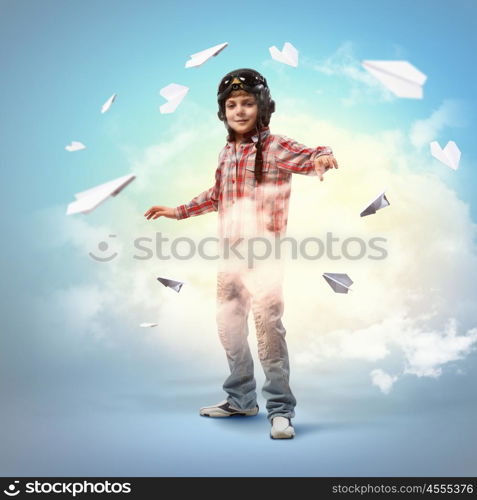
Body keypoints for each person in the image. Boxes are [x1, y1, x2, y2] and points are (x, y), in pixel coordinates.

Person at [144, 68, 338, 439]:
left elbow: (312, 153)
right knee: (229, 329)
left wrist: (323, 159)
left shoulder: (276, 146)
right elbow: (217, 197)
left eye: (248, 103)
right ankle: (240, 400)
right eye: (232, 104)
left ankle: (280, 411)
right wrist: (177, 210)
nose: (239, 110)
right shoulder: (226, 152)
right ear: (223, 112)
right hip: (229, 257)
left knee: (268, 334)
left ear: (263, 107)